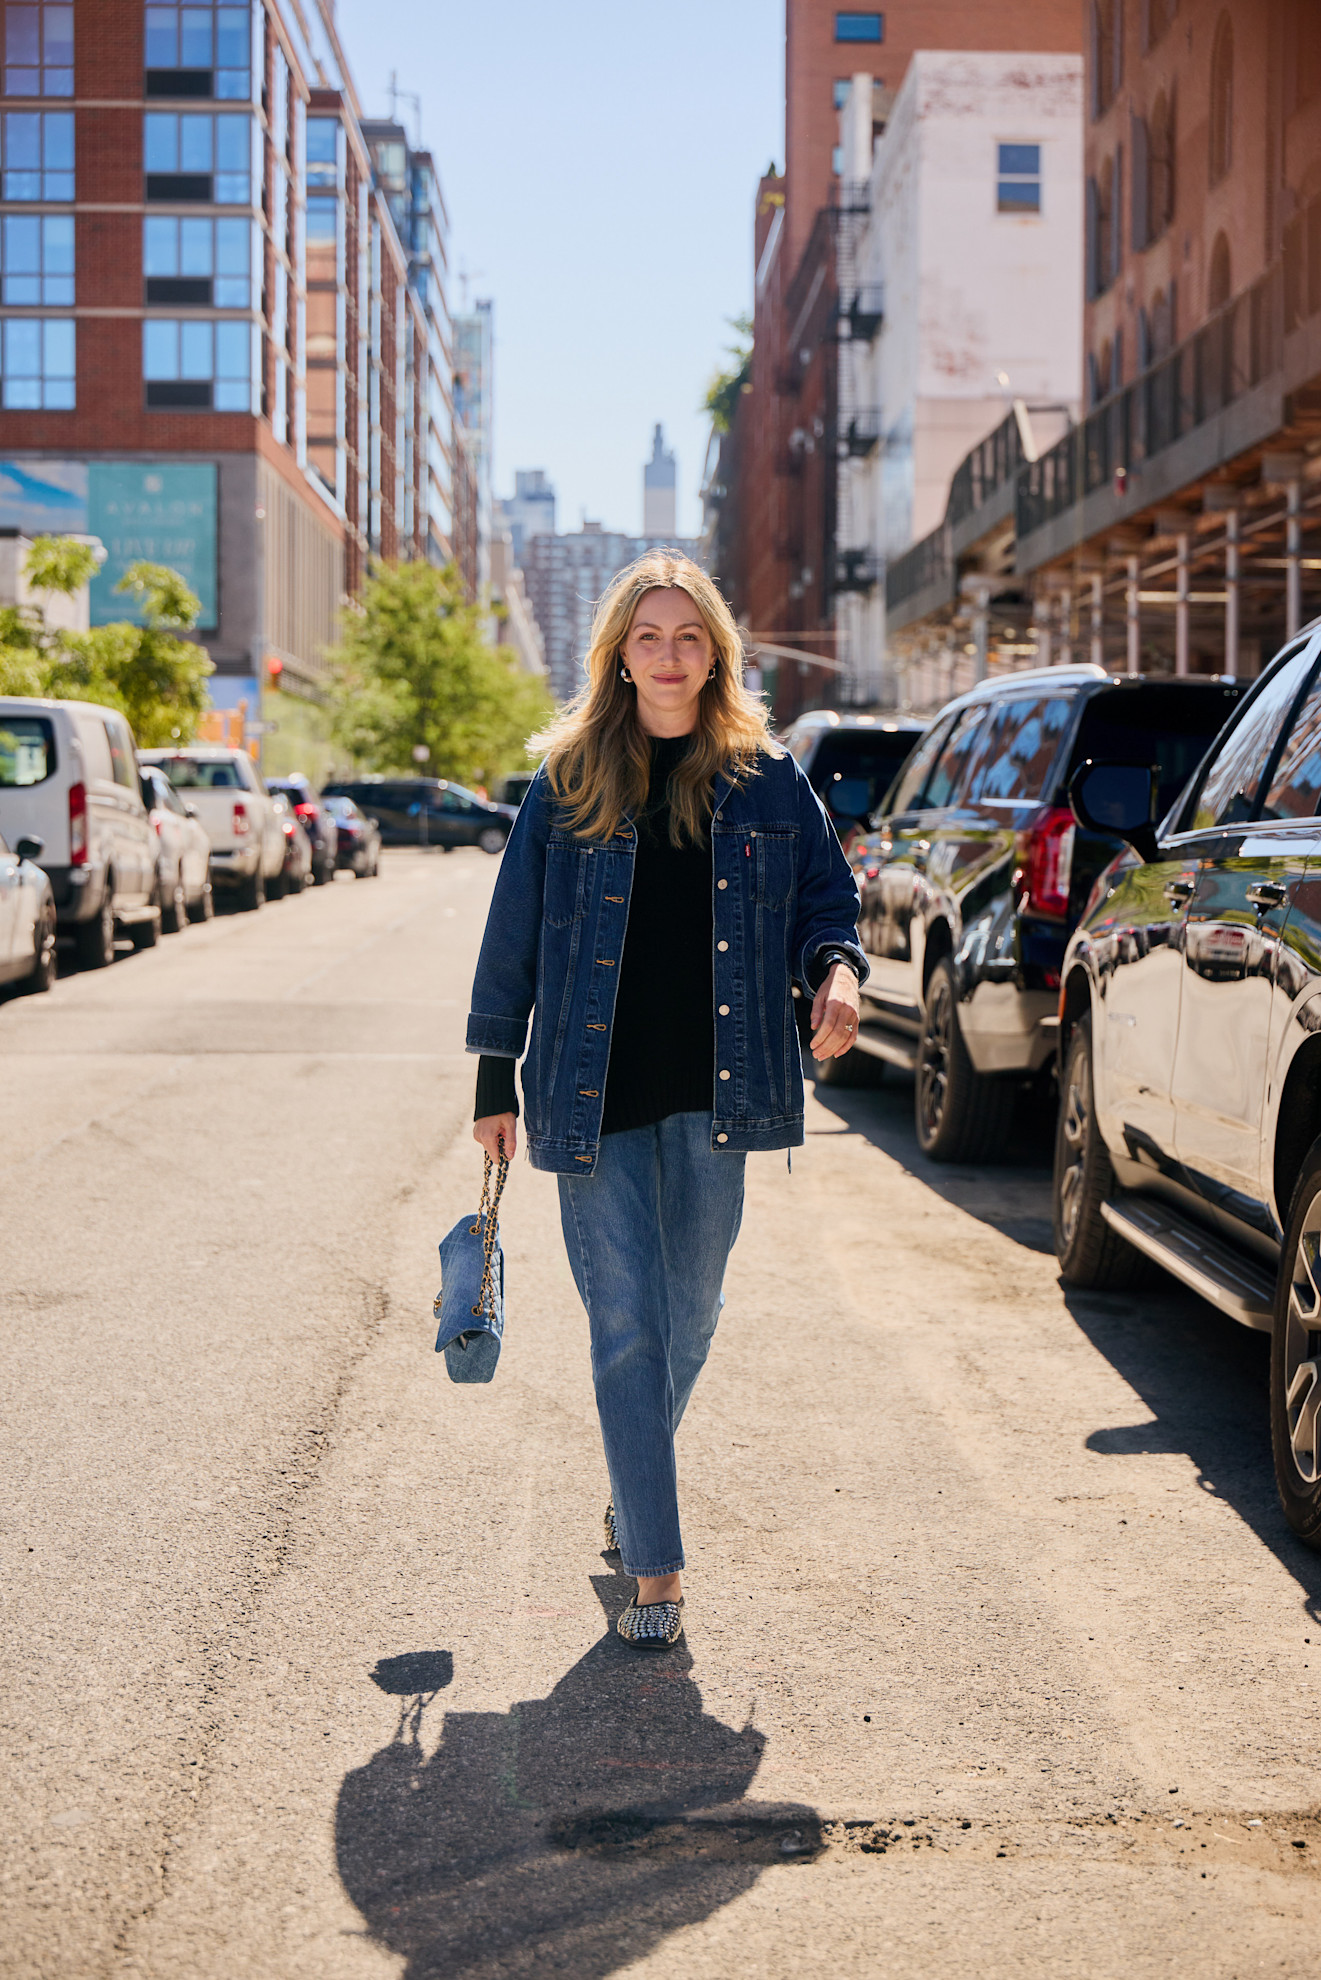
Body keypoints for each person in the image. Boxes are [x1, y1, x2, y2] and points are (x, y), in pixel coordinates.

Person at [468, 550, 866, 1650]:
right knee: (626, 1326)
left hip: (716, 1091)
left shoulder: (764, 777)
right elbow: (512, 933)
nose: (669, 655)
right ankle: (658, 1572)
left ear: (715, 654)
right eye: (649, 636)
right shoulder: (568, 779)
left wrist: (835, 969)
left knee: (691, 1313)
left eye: (689, 636)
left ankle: (631, 1483)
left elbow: (826, 900)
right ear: (619, 655)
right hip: (588, 1091)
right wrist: (493, 1076)